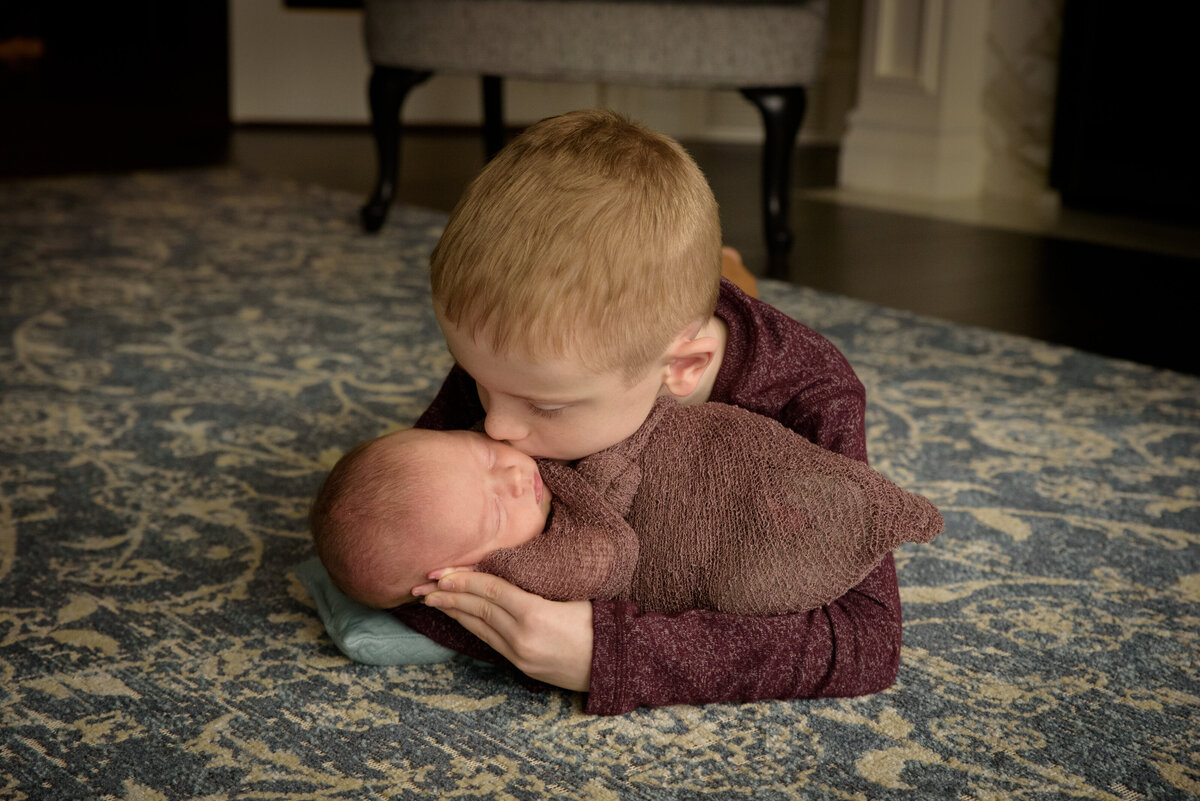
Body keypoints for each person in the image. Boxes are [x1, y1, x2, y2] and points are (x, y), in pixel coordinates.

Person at [394, 108, 902, 715]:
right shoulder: (515, 352)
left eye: (544, 404)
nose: (497, 427)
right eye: (476, 380)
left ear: (683, 369)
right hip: (663, 329)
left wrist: (607, 651)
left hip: (713, 339)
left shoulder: (811, 392)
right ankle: (718, 271)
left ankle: (729, 270)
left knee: (728, 281)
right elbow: (395, 556)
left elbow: (866, 642)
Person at [310, 398, 942, 622]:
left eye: (477, 454)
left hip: (699, 447)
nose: (511, 471)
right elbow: (607, 557)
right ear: (457, 576)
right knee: (780, 535)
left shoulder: (505, 420)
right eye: (496, 514)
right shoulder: (525, 569)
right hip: (711, 542)